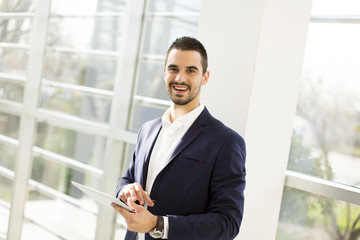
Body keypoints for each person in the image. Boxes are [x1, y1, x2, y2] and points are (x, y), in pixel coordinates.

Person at [112, 36, 246, 240]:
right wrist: (126, 190)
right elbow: (127, 179)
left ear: (205, 77)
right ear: (164, 72)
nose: (180, 78)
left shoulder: (226, 142)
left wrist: (158, 225)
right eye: (173, 69)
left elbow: (227, 223)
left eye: (191, 70)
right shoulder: (148, 130)